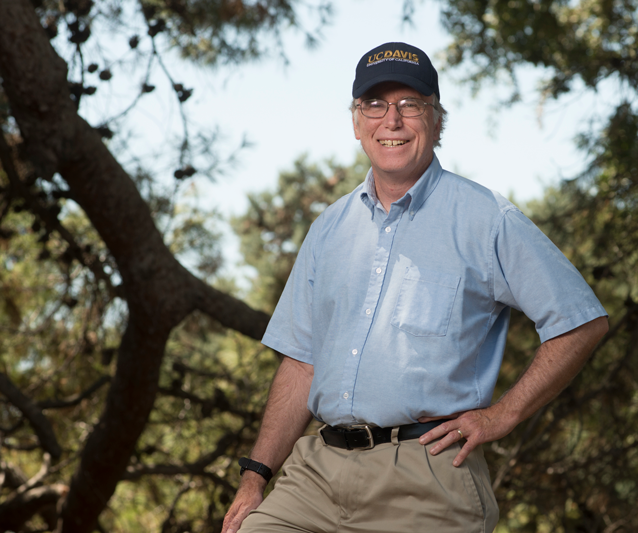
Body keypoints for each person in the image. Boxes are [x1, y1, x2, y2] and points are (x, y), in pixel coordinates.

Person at [222, 42, 609, 533]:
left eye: (410, 105)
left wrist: (501, 415)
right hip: (314, 476)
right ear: (357, 123)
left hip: (425, 478)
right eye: (375, 105)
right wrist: (256, 475)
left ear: (436, 120)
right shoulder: (329, 228)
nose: (393, 120)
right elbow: (301, 362)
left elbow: (581, 322)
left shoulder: (487, 219)